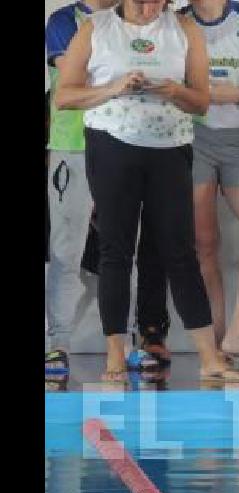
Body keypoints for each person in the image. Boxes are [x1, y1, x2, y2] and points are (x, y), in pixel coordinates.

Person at [54, 0, 239, 382]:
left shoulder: (184, 29)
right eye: (141, 1)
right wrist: (112, 88)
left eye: (157, 1)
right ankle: (114, 356)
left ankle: (210, 357)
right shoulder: (96, 27)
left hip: (170, 150)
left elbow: (201, 101)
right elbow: (65, 95)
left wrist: (175, 90)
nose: (148, 8)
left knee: (180, 252)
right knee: (115, 250)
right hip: (110, 145)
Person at [139, 0, 239, 367]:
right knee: (203, 246)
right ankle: (216, 346)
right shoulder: (173, 22)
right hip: (189, 137)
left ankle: (238, 334)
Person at [44, 0, 119, 374]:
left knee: (126, 250)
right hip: (72, 146)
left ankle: (127, 344)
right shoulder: (62, 21)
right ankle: (57, 344)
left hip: (126, 141)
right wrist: (121, 80)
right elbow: (74, 79)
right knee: (66, 250)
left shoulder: (135, 17)